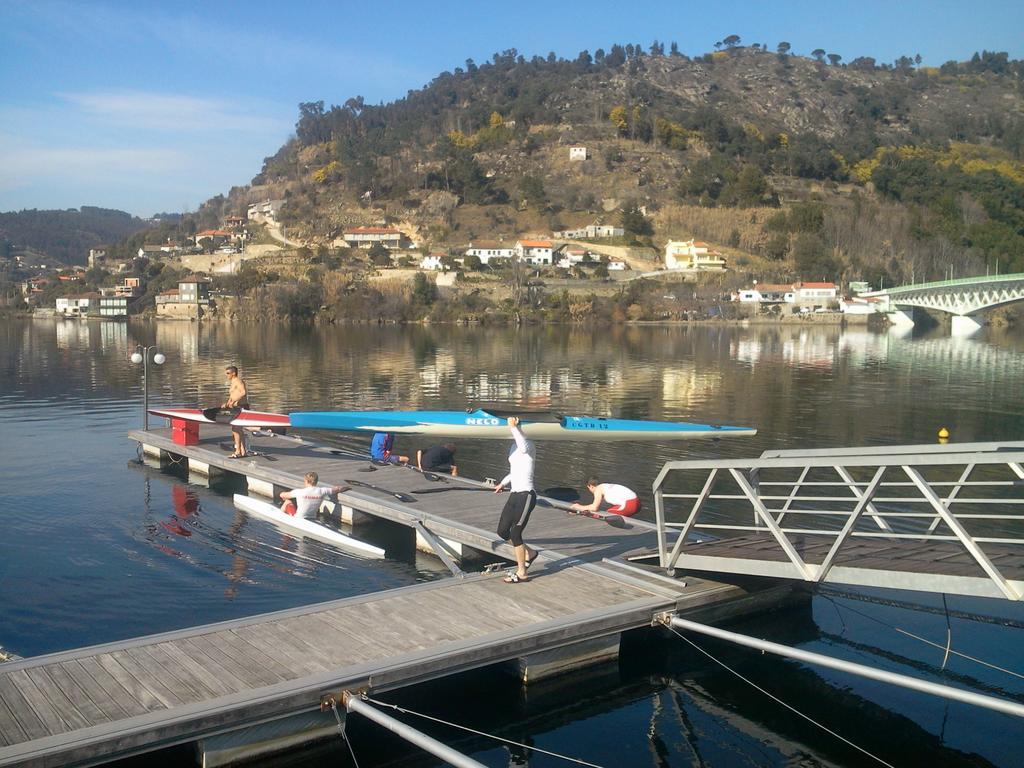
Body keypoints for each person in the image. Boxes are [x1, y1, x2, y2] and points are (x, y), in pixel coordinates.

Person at [492, 417, 538, 583]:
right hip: (514, 493)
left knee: (515, 533)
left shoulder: (529, 445)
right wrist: (502, 483)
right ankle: (530, 553)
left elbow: (524, 448)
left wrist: (513, 427)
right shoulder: (513, 447)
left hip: (527, 495)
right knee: (502, 531)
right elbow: (515, 471)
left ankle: (522, 573)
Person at [279, 472, 350, 519]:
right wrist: (348, 488)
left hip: (298, 518)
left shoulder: (299, 492)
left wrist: (282, 494)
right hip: (312, 518)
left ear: (306, 481)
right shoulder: (322, 491)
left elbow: (283, 495)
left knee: (287, 501)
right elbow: (338, 489)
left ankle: (280, 518)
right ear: (316, 482)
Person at [570, 476, 641, 517]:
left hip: (630, 504)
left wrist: (578, 507)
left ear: (590, 486)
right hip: (637, 502)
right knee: (607, 513)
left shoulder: (598, 489)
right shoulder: (606, 486)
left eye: (588, 488)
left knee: (606, 515)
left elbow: (594, 508)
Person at [222, 365, 249, 457]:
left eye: (228, 373)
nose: (227, 375)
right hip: (235, 407)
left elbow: (243, 392)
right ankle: (243, 451)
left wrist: (233, 401)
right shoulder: (233, 382)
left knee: (236, 429)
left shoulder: (238, 381)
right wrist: (227, 403)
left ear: (234, 373)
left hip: (241, 407)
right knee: (237, 430)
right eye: (226, 373)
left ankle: (238, 451)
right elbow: (232, 395)